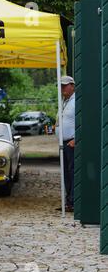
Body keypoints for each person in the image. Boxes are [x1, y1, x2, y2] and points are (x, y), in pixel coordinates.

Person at [59, 76, 75, 212]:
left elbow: (82, 121)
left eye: (65, 85)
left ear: (72, 86)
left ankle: (73, 201)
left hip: (71, 143)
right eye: (61, 86)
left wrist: (76, 139)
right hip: (63, 143)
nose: (63, 88)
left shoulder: (77, 101)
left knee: (72, 172)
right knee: (66, 173)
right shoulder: (64, 101)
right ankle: (69, 201)